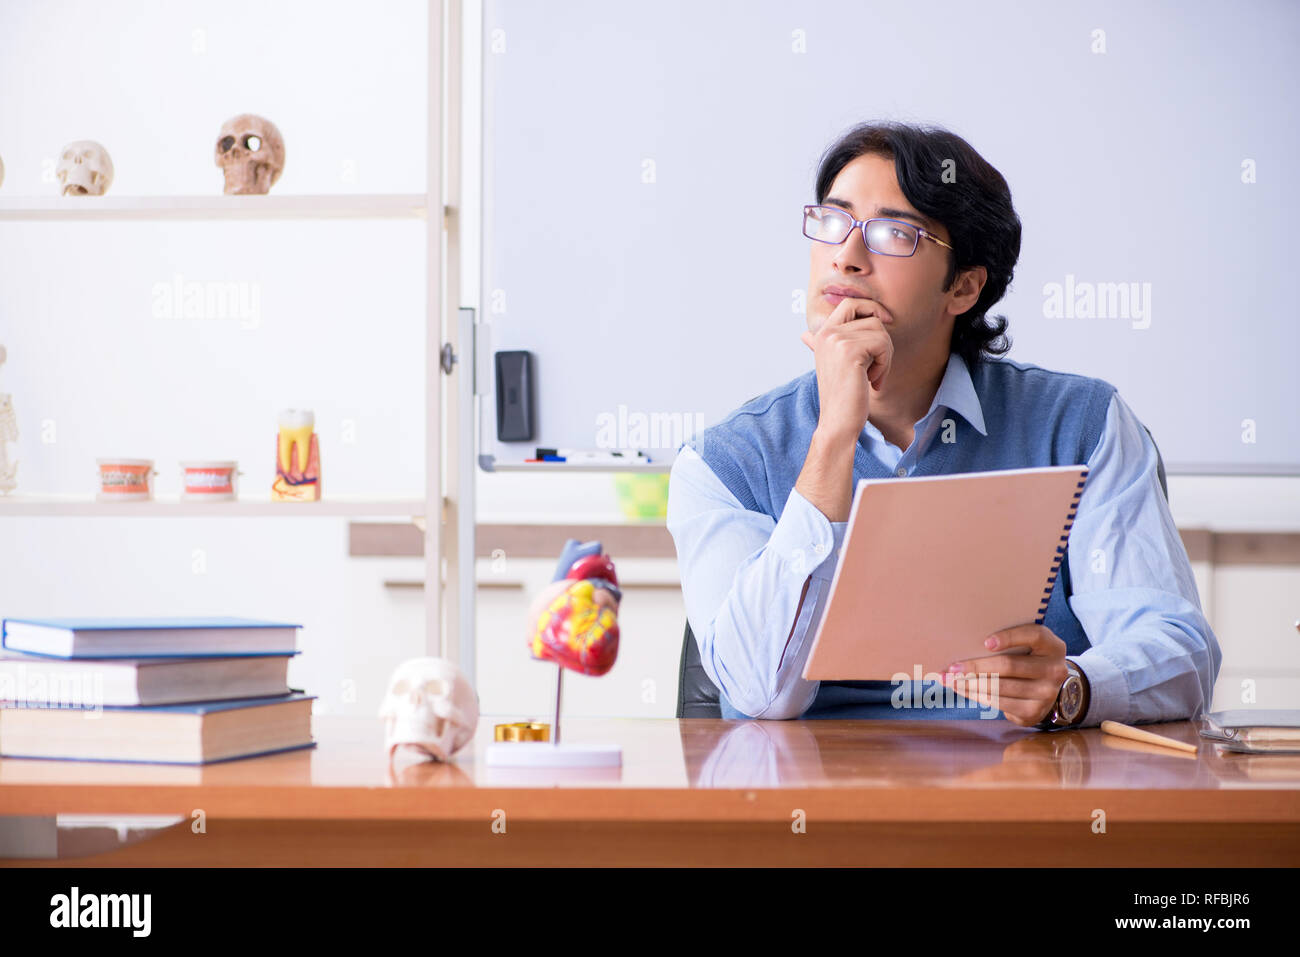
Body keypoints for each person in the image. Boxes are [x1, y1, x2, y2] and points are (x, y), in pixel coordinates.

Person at [666, 121, 1221, 727]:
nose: (846, 257)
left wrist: (1075, 687)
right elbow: (759, 694)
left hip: (1026, 797)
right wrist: (834, 440)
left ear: (963, 287)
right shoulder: (723, 462)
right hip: (818, 806)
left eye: (893, 233)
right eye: (833, 221)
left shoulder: (1083, 425)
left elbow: (1181, 656)